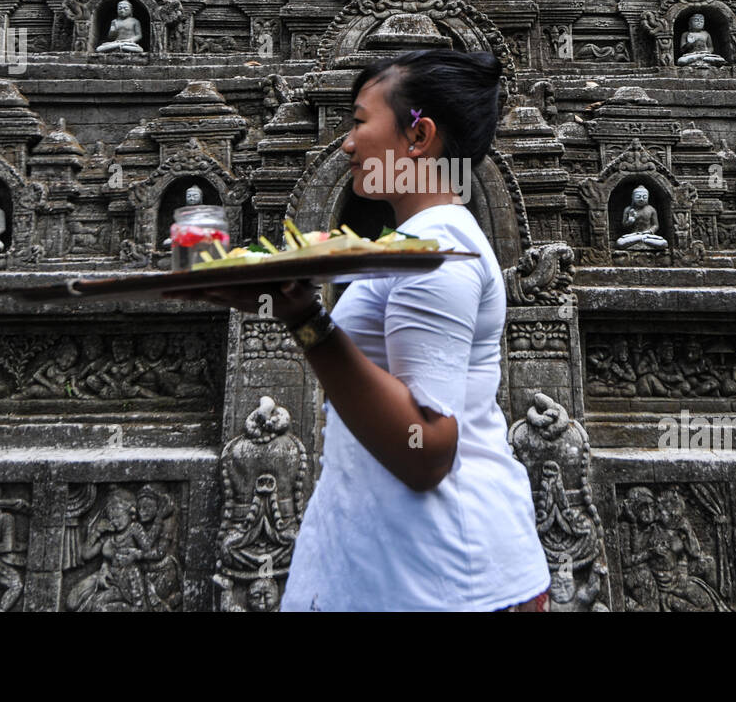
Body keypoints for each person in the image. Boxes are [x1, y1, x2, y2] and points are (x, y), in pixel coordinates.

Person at [167, 48, 550, 611]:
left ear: (418, 137)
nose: (346, 143)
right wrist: (271, 296)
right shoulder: (408, 247)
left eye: (359, 121)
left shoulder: (439, 249)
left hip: (448, 576)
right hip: (396, 564)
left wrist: (304, 319)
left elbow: (426, 448)